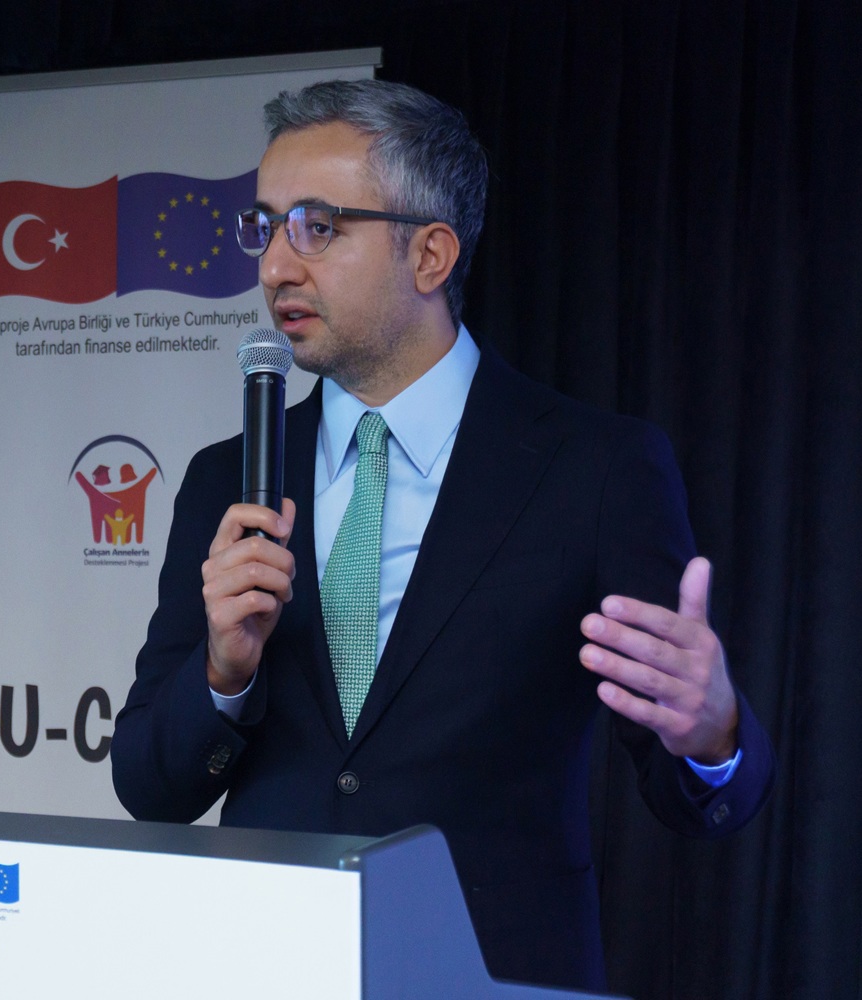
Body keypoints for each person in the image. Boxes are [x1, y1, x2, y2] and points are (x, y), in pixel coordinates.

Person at [110, 78, 773, 992]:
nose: (273, 268)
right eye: (264, 227)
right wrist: (224, 674)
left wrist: (711, 733)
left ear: (430, 254)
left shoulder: (596, 469)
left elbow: (694, 800)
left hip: (490, 972)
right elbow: (149, 787)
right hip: (268, 966)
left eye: (316, 227)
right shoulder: (227, 480)